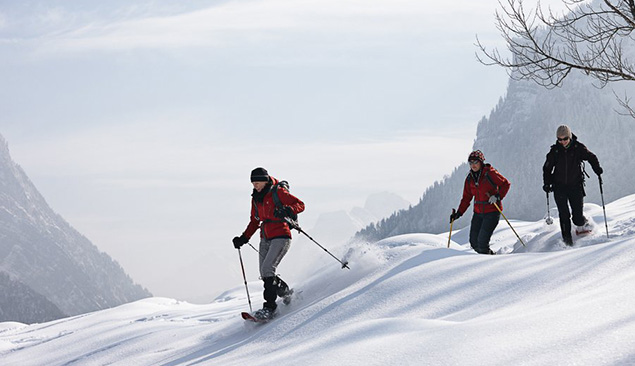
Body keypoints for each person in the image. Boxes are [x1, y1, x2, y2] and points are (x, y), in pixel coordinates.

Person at [232, 167, 305, 320]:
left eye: (257, 182)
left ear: (265, 181)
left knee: (267, 269)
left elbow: (300, 204)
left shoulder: (278, 193)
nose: (255, 186)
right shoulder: (255, 198)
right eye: (253, 183)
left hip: (281, 236)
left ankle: (269, 308)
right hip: (265, 237)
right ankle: (287, 294)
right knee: (265, 274)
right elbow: (254, 221)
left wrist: (287, 210)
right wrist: (243, 238)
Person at [542, 125, 603, 246]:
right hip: (559, 187)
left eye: (565, 139)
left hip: (576, 186)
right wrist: (547, 183)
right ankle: (567, 243)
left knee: (577, 218)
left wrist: (597, 169)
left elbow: (591, 157)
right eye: (559, 139)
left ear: (569, 137)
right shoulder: (555, 151)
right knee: (564, 215)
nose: (562, 142)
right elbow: (547, 168)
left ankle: (583, 223)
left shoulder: (578, 148)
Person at [450, 150, 511, 254]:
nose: (473, 165)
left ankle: (489, 263)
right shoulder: (470, 178)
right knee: (474, 242)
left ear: (481, 162)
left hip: (492, 212)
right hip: (478, 214)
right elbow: (466, 198)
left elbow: (506, 184)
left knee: (482, 243)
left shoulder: (490, 173)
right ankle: (486, 258)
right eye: (471, 163)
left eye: (475, 162)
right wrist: (458, 213)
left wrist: (497, 196)